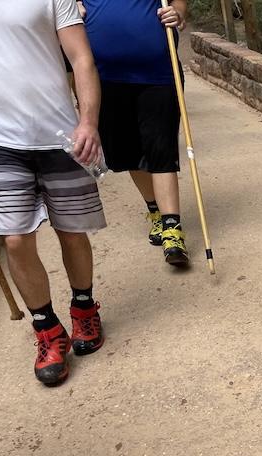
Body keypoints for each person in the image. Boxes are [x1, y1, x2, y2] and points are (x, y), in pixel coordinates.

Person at [0, 0, 107, 387]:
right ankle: (48, 332)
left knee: (71, 231)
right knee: (15, 239)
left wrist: (88, 122)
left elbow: (81, 59)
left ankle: (83, 308)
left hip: (60, 135)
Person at [81, 0, 190, 268]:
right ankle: (155, 211)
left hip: (159, 74)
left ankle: (172, 230)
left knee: (161, 149)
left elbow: (179, 3)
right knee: (128, 153)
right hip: (106, 79)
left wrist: (177, 13)